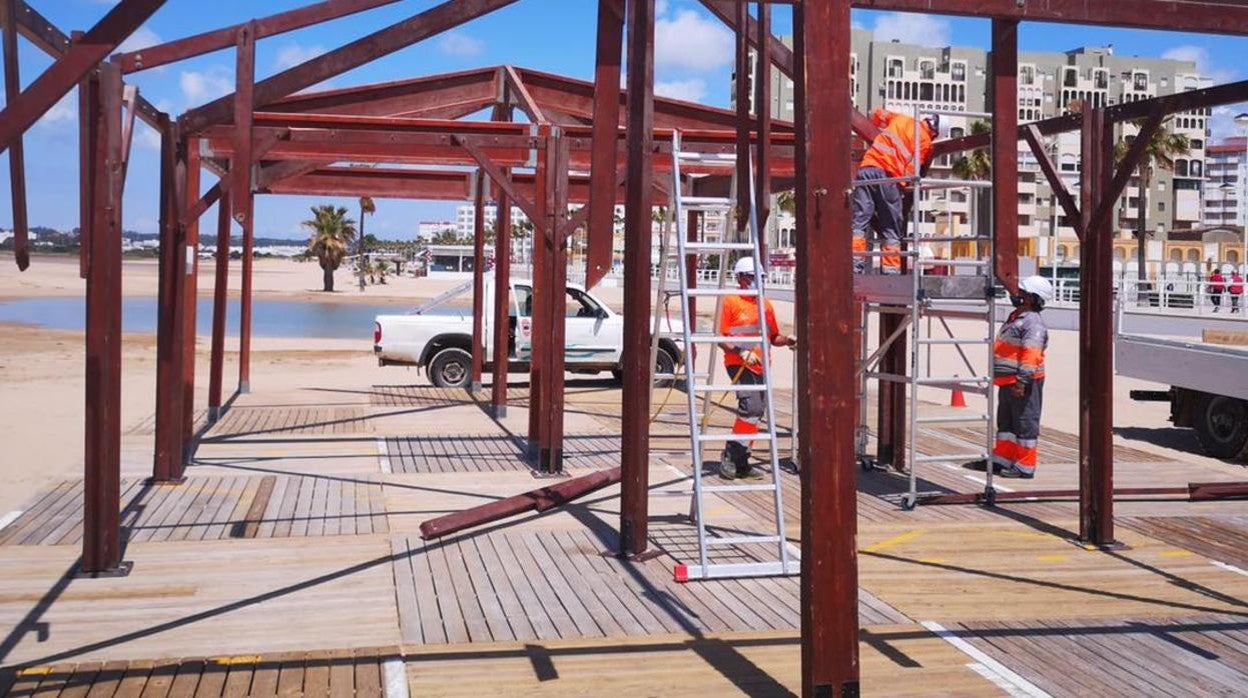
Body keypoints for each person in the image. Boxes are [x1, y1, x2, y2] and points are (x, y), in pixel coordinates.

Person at [716, 256, 797, 479]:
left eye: (760, 278)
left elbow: (772, 337)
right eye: (753, 277)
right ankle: (732, 456)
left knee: (756, 412)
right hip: (738, 364)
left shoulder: (765, 304)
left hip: (760, 366)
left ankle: (741, 460)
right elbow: (720, 337)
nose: (757, 282)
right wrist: (740, 352)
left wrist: (788, 340)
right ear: (741, 278)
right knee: (750, 407)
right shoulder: (730, 301)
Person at [852, 108, 939, 274]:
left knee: (859, 223)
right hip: (889, 178)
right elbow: (912, 169)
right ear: (935, 133)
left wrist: (875, 122)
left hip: (867, 169)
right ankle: (890, 271)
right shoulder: (925, 141)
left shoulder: (902, 119)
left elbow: (876, 114)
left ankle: (854, 266)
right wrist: (903, 188)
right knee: (891, 229)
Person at [987, 275, 1053, 479]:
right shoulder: (1017, 316)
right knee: (1006, 422)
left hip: (1023, 381)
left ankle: (1025, 465)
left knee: (1025, 422)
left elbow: (1031, 353)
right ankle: (1003, 458)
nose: (1016, 295)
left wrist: (1022, 381)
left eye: (1022, 292)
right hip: (1008, 381)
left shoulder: (1033, 323)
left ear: (1032, 298)